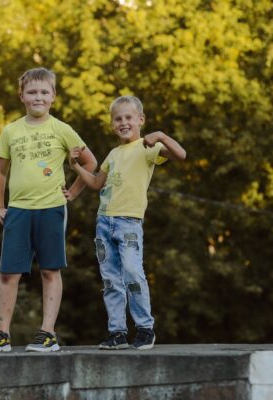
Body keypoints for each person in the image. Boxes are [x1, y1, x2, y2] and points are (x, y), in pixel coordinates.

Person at [0, 67, 97, 353]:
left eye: (44, 92)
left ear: (53, 96)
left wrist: (73, 192)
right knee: (8, 273)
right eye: (32, 92)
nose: (38, 97)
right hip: (18, 210)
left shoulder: (62, 129)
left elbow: (91, 164)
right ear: (22, 96)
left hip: (51, 209)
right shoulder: (11, 130)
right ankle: (2, 334)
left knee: (49, 270)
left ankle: (47, 334)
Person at [68, 95, 186, 350]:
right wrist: (76, 167)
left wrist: (161, 136)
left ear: (140, 120)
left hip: (129, 223)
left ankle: (145, 328)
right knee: (110, 279)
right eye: (118, 119)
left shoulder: (148, 147)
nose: (123, 122)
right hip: (104, 222)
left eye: (128, 118)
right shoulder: (112, 153)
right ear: (112, 124)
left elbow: (181, 155)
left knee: (133, 272)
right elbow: (97, 183)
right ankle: (117, 332)